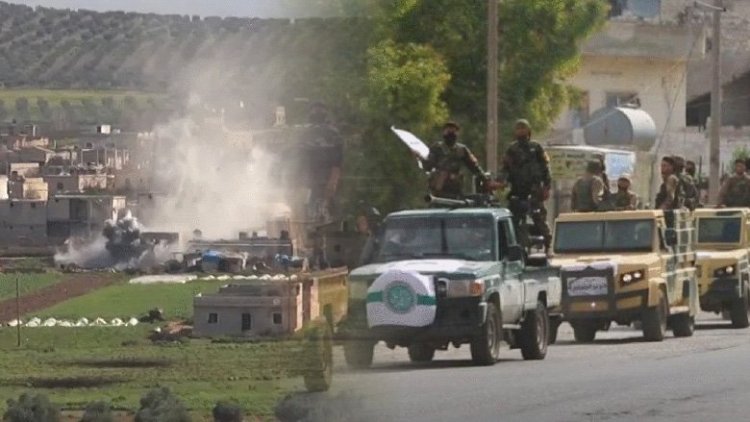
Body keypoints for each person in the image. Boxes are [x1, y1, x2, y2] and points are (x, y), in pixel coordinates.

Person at [499, 119, 552, 251]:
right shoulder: (512, 149)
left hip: (535, 190)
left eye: (523, 128)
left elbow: (545, 168)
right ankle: (512, 247)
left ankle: (547, 245)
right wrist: (501, 182)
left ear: (529, 131)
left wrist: (546, 186)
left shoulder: (536, 147)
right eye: (518, 128)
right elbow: (505, 169)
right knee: (513, 220)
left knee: (539, 218)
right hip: (517, 190)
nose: (521, 131)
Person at [419, 121, 488, 199]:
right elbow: (428, 166)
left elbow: (474, 167)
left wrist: (485, 180)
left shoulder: (461, 149)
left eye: (453, 131)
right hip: (439, 188)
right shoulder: (437, 148)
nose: (451, 133)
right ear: (444, 133)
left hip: (455, 187)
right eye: (448, 131)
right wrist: (421, 158)